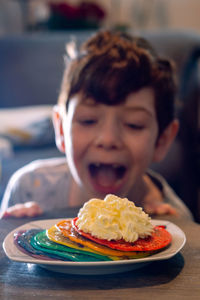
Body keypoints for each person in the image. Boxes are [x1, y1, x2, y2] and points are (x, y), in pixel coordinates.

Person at [0, 30, 193, 219]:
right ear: (61, 129)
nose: (108, 139)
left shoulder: (173, 219)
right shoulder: (29, 189)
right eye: (88, 121)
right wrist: (13, 232)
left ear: (162, 141)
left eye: (134, 124)